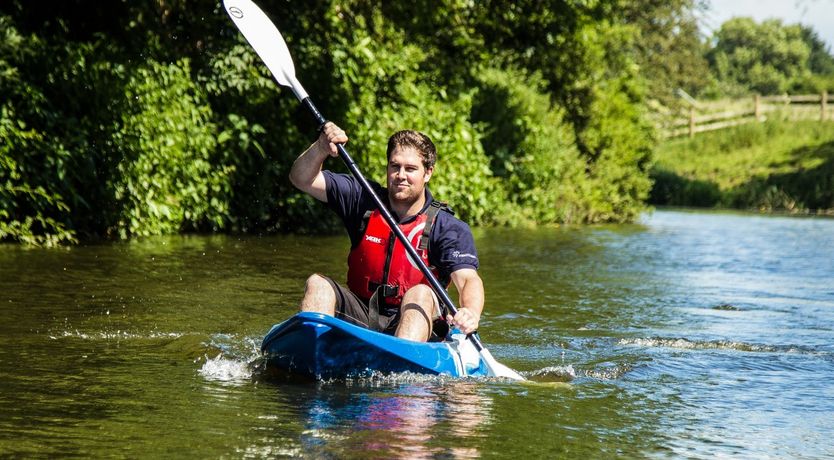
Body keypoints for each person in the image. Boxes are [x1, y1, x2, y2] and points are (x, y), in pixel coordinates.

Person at [288, 122, 484, 342]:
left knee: (419, 294)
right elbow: (301, 179)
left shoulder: (448, 227)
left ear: (428, 173)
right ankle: (311, 355)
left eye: (410, 169)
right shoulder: (361, 199)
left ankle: (400, 368)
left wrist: (470, 312)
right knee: (318, 284)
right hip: (362, 313)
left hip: (419, 324)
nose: (400, 175)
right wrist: (321, 147)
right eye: (394, 166)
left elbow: (467, 279)